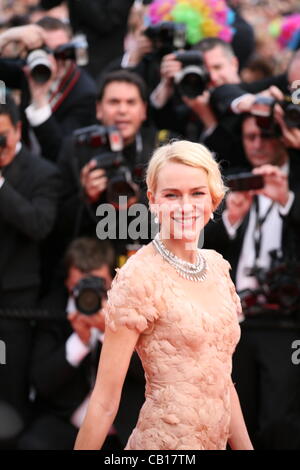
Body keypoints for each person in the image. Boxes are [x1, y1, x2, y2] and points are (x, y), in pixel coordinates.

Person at [74, 140, 253, 450]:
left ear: (214, 198)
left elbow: (221, 380)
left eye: (197, 193)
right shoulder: (138, 276)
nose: (185, 206)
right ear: (153, 201)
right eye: (172, 195)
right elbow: (104, 400)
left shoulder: (218, 267)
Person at [204, 114, 300, 448]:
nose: (257, 144)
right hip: (236, 321)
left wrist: (288, 201)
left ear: (282, 136)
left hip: (286, 322)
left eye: (264, 135)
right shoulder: (235, 184)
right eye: (249, 137)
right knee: (234, 416)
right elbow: (201, 245)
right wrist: (231, 219)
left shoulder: (295, 184)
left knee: (279, 419)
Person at [17, 237, 145, 450]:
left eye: (97, 284)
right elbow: (41, 382)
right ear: (67, 282)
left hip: (125, 430)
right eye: (79, 286)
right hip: (66, 425)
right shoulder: (51, 309)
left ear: (113, 279)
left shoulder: (133, 310)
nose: (89, 294)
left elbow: (148, 374)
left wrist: (111, 334)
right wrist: (79, 341)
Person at [0, 95, 61, 426]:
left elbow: (39, 225)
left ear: (19, 129)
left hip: (13, 308)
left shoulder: (42, 174)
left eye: (2, 136)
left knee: (9, 396)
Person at [0, 17, 97, 161]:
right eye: (45, 51)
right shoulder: (30, 70)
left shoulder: (84, 92)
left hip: (55, 175)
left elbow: (61, 152)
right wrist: (8, 36)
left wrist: (39, 101)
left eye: (61, 51)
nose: (53, 59)